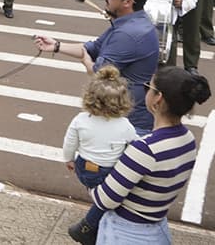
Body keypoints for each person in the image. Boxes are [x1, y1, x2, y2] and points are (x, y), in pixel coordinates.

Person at [82, 67, 210, 243]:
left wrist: (87, 176)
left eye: (148, 87)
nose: (146, 91)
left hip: (124, 232)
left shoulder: (144, 149)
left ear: (158, 98)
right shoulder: (188, 139)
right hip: (158, 227)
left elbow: (105, 199)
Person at [34, 0, 159, 134]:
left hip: (128, 122)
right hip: (123, 115)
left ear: (128, 1)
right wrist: (57, 46)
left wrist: (87, 62)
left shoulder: (128, 34)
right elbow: (93, 48)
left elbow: (97, 73)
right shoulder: (132, 22)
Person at [61, 66, 139, 243]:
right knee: (108, 200)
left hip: (83, 167)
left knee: (100, 195)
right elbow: (135, 146)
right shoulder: (125, 126)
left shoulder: (80, 120)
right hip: (109, 171)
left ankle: (95, 208)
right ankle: (86, 228)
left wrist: (68, 159)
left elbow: (70, 143)